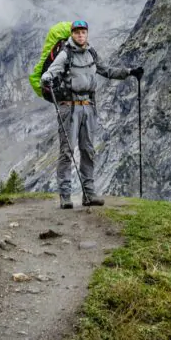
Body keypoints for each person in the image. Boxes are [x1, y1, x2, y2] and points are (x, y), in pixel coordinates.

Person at [40, 19, 143, 209]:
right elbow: (51, 72)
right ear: (72, 34)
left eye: (83, 32)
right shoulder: (65, 55)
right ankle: (65, 196)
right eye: (77, 32)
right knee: (67, 152)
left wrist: (129, 72)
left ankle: (89, 194)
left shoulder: (91, 53)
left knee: (88, 150)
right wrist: (47, 78)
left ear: (87, 34)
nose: (80, 35)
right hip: (69, 108)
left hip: (88, 106)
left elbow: (107, 71)